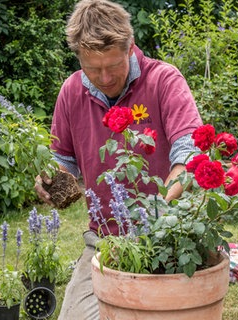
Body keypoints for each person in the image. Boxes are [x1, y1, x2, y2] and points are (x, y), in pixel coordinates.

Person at [34, 0, 203, 319]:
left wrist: (158, 217)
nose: (105, 77)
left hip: (169, 237)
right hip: (105, 242)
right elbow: (63, 162)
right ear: (78, 58)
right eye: (93, 68)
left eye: (113, 65)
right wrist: (49, 181)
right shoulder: (71, 92)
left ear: (130, 48)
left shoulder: (164, 80)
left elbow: (188, 154)